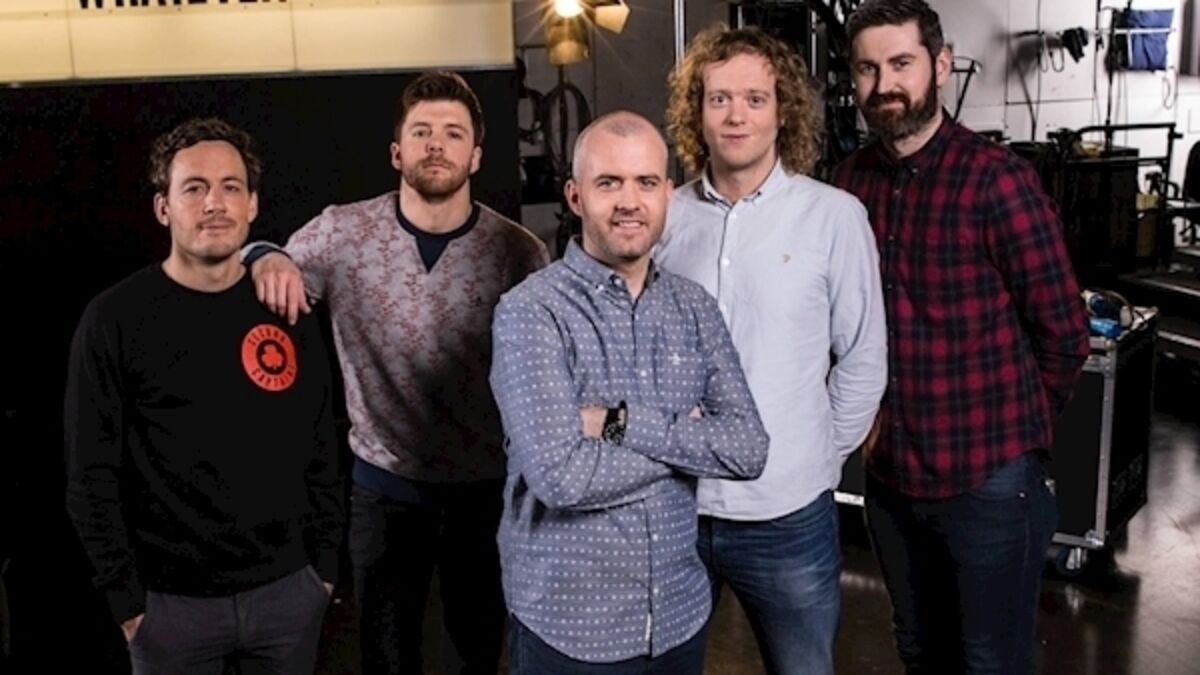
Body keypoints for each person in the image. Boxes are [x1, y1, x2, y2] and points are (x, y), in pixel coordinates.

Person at [243, 71, 549, 674]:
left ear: (476, 156)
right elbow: (270, 259)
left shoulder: (519, 251)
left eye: (453, 133)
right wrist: (264, 255)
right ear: (396, 151)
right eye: (422, 131)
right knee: (385, 657)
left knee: (479, 654)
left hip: (484, 492)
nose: (436, 144)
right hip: (384, 490)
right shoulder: (343, 232)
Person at [831, 1, 1091, 672]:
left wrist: (1016, 438)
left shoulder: (996, 180)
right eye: (867, 68)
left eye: (901, 63)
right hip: (891, 478)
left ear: (941, 65)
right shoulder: (849, 183)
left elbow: (1065, 333)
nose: (884, 84)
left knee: (990, 663)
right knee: (920, 651)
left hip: (989, 482)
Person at [489, 111, 770, 673]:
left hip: (678, 618)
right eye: (608, 183)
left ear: (668, 193)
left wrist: (616, 423)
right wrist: (689, 445)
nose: (629, 202)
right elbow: (560, 477)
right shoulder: (531, 313)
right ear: (575, 196)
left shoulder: (694, 308)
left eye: (645, 182)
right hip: (569, 628)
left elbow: (747, 448)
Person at [64, 117, 343, 674]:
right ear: (163, 208)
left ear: (252, 204)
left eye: (230, 187)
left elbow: (323, 446)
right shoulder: (114, 319)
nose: (214, 202)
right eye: (194, 188)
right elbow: (89, 474)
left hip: (287, 598)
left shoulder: (287, 309)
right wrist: (129, 605)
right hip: (170, 610)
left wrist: (324, 573)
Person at [656, 24, 889, 675]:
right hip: (675, 508)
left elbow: (863, 357)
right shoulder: (665, 218)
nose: (737, 116)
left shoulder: (834, 217)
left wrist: (812, 456)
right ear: (696, 113)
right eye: (719, 99)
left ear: (783, 111)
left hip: (788, 517)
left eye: (755, 99)